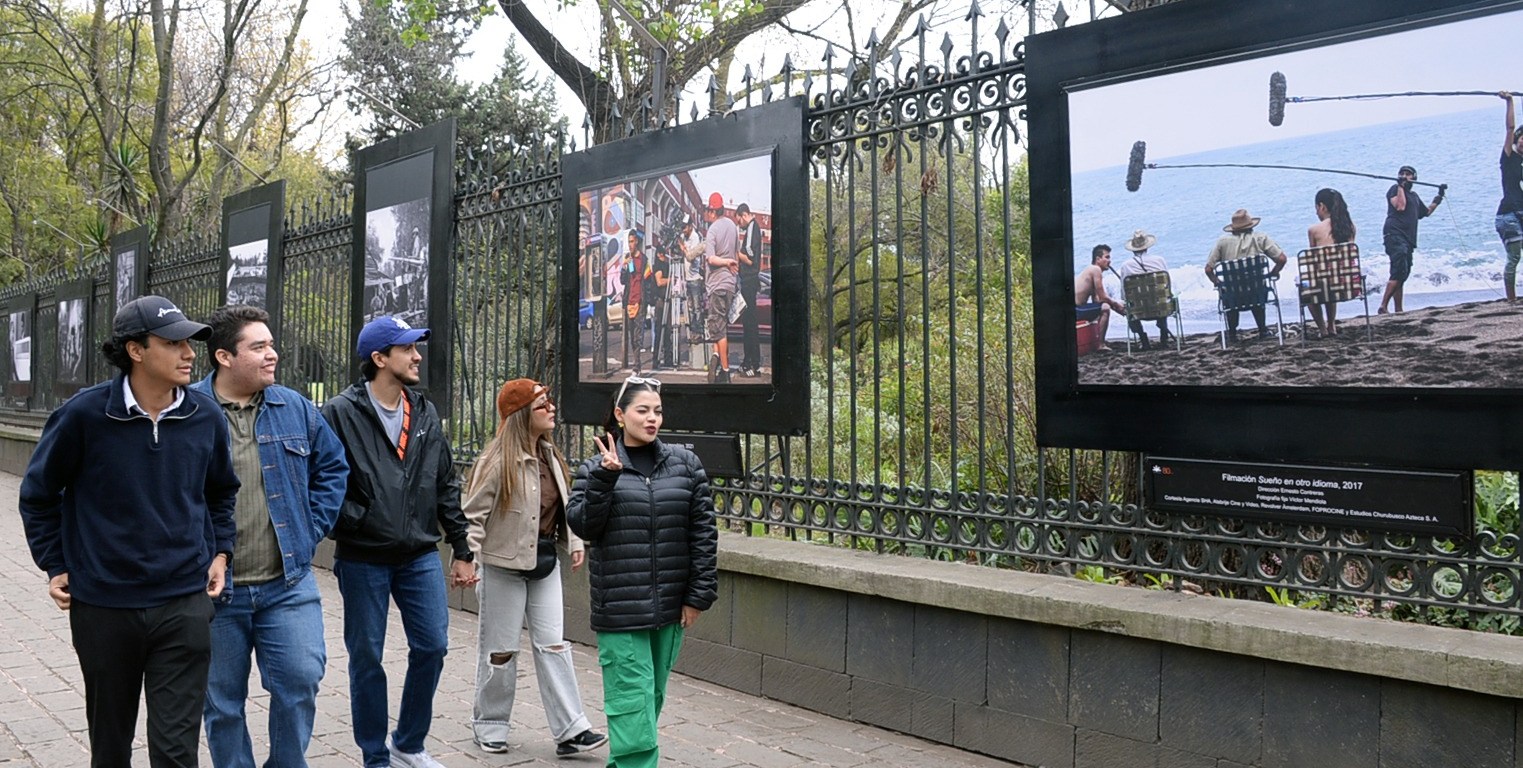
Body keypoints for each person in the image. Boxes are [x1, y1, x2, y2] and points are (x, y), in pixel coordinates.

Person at [19, 295, 239, 767]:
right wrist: (56, 563)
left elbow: (221, 492)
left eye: (189, 342)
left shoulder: (205, 417)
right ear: (135, 351)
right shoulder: (83, 416)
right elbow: (38, 495)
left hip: (183, 601)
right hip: (104, 607)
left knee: (177, 752)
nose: (188, 354)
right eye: (173, 342)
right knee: (111, 746)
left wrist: (221, 553)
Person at [194, 305, 348, 768]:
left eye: (271, 344)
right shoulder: (191, 412)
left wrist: (310, 528)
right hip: (216, 591)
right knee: (221, 704)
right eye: (258, 347)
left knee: (300, 683)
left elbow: (333, 468)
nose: (272, 355)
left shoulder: (294, 407)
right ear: (224, 356)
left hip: (288, 584)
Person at [321, 315, 477, 768]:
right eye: (407, 349)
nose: (417, 356)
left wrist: (463, 549)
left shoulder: (423, 411)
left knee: (432, 645)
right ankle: (374, 755)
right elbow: (321, 481)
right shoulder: (339, 412)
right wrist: (356, 519)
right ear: (379, 358)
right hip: (363, 556)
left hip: (419, 555)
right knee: (367, 656)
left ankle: (408, 742)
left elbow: (445, 484)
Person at [567, 376, 719, 768]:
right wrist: (605, 477)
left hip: (670, 606)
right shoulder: (594, 469)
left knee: (649, 701)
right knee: (630, 703)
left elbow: (703, 533)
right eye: (642, 410)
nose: (652, 418)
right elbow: (583, 525)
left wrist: (698, 595)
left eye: (657, 411)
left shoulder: (685, 465)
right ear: (620, 415)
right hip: (620, 608)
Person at [463, 379, 608, 757]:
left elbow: (564, 507)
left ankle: (571, 730)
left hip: (544, 563)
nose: (552, 408)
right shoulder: (496, 460)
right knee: (500, 651)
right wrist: (468, 560)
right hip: (502, 567)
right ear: (521, 413)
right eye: (543, 404)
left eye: (550, 401)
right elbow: (473, 516)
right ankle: (490, 724)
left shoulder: (551, 456)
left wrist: (575, 543)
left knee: (555, 646)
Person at [1206, 209, 1287, 344]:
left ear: (1232, 228)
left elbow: (1208, 269)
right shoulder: (1260, 238)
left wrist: (1217, 282)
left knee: (1229, 291)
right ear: (1251, 226)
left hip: (1233, 296)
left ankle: (1232, 334)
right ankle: (1262, 330)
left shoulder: (1222, 242)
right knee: (1257, 286)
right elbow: (1282, 259)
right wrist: (1273, 273)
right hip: (1257, 293)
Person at [1379, 165, 1445, 314]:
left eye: (1408, 174)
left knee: (1404, 271)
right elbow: (1400, 206)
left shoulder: (1414, 196)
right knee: (1399, 271)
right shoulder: (1394, 190)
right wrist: (1400, 186)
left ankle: (1398, 309)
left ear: (1414, 178)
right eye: (1402, 173)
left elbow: (1426, 213)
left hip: (1408, 238)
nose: (1404, 175)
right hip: (1394, 234)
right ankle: (1383, 305)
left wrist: (1438, 197)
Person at [1305, 188, 1358, 337]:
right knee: (1332, 277)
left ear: (1322, 206)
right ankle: (1332, 326)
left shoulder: (1314, 230)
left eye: (1316, 208)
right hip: (1350, 285)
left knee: (1312, 287)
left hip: (1328, 287)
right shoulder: (1350, 226)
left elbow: (1314, 262)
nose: (1316, 212)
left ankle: (1323, 329)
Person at [701, 193, 740, 383]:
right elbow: (737, 254)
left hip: (717, 284)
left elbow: (711, 259)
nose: (707, 214)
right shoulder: (732, 226)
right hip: (730, 283)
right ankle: (716, 356)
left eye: (708, 210)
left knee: (719, 330)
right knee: (721, 326)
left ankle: (725, 373)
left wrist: (725, 262)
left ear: (712, 211)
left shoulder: (712, 230)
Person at [1114, 230, 1174, 350]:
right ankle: (1163, 335)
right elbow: (1168, 288)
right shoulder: (1159, 260)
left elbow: (1124, 295)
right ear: (1147, 246)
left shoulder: (1126, 266)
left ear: (1133, 248)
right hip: (1160, 308)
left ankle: (1143, 338)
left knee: (1129, 305)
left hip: (1138, 311)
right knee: (1162, 297)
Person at [1496, 91, 1523, 303]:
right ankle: (1512, 300)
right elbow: (1510, 128)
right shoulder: (1509, 156)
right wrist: (1510, 101)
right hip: (1508, 215)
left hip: (1521, 212)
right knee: (1514, 257)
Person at [1074, 244, 1125, 351]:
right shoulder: (1095, 269)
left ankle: (1097, 340)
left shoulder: (1091, 270)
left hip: (1077, 308)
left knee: (1104, 306)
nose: (1109, 261)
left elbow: (1097, 300)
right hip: (1076, 309)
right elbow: (1103, 299)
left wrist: (1116, 308)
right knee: (1105, 308)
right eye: (1107, 257)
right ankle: (1100, 344)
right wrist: (1116, 304)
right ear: (1098, 259)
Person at [735, 203, 764, 377]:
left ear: (744, 214)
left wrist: (736, 253)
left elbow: (751, 259)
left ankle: (750, 365)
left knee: (749, 324)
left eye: (739, 220)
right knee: (751, 324)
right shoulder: (753, 229)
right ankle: (753, 363)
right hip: (750, 281)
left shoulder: (752, 228)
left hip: (749, 280)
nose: (739, 224)